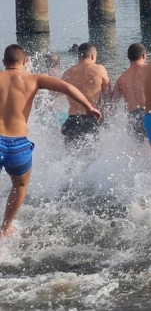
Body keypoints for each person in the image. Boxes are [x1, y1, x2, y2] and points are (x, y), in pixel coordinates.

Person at [0, 44, 101, 237]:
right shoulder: (34, 78)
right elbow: (68, 87)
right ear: (24, 62)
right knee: (19, 185)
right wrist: (88, 106)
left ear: (4, 62)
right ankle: (5, 228)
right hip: (18, 145)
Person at [59, 42, 110, 147]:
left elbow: (59, 94)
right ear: (92, 56)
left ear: (78, 56)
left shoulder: (67, 73)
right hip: (91, 118)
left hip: (72, 119)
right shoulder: (99, 70)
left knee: (71, 156)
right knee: (92, 156)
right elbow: (107, 94)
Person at [111, 43, 148, 141]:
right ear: (144, 55)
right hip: (148, 113)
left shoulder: (121, 78)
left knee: (137, 151)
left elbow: (112, 104)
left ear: (128, 57)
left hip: (132, 117)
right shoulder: (149, 70)